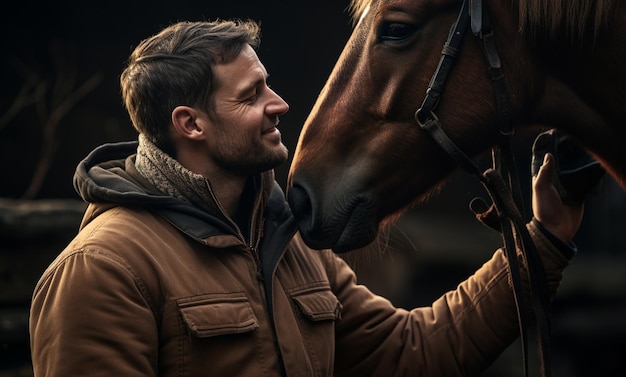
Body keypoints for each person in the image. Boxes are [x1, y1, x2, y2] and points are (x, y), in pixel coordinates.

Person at [29, 19, 583, 377]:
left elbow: (414, 353)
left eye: (267, 84)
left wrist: (544, 239)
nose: (281, 103)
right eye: (252, 95)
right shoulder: (104, 269)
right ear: (189, 124)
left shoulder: (286, 246)